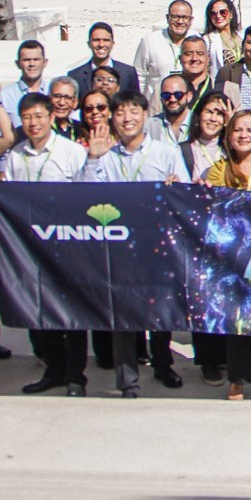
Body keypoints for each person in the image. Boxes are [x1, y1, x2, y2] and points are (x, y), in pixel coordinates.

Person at [73, 92, 186, 397]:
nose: (127, 118)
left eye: (133, 111)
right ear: (111, 117)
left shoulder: (166, 153)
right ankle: (128, 381)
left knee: (160, 309)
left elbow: (185, 195)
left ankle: (163, 364)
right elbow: (84, 196)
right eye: (120, 112)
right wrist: (93, 158)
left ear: (145, 114)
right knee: (121, 311)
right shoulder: (104, 155)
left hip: (157, 244)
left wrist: (177, 189)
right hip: (118, 246)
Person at [0, 91, 94, 395]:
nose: (33, 123)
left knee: (71, 314)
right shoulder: (17, 155)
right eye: (26, 117)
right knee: (37, 313)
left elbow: (85, 197)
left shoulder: (72, 152)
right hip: (29, 248)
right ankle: (53, 370)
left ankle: (76, 377)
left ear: (51, 117)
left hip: (66, 245)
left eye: (38, 116)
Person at [133, 0, 195, 95]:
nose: (180, 21)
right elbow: (139, 75)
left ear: (191, 20)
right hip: (156, 104)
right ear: (167, 18)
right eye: (175, 17)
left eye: (185, 17)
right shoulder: (150, 41)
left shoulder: (197, 40)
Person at [202, 0, 244, 71]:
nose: (218, 16)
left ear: (231, 14)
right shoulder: (207, 40)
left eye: (223, 12)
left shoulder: (242, 36)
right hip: (222, 81)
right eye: (213, 13)